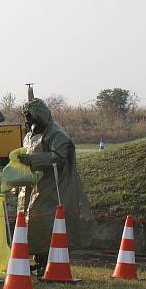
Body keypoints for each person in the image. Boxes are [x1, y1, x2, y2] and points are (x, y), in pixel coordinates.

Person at [17, 98, 94, 276]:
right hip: (33, 188)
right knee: (33, 224)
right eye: (26, 119)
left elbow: (59, 157)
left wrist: (33, 161)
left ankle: (49, 261)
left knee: (48, 225)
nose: (29, 123)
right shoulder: (30, 135)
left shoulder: (57, 134)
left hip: (52, 188)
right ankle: (39, 260)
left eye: (31, 119)